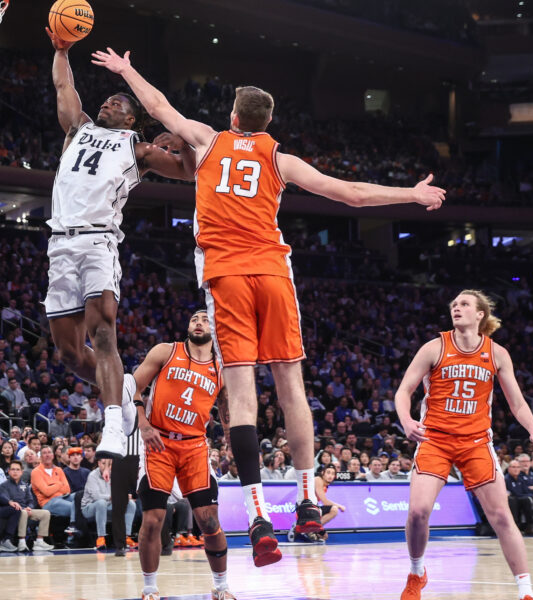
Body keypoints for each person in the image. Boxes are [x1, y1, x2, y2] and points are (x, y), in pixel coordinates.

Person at [92, 49, 447, 566]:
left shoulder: (209, 140)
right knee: (291, 387)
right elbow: (348, 193)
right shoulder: (281, 158)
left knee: (241, 394)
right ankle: (307, 502)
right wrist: (411, 195)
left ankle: (258, 516)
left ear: (233, 118)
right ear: (268, 123)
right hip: (274, 273)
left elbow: (159, 105)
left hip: (227, 274)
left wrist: (126, 71)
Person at [43, 28, 192, 461]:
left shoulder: (137, 147)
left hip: (97, 242)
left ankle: (111, 421)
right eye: (107, 100)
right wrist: (61, 49)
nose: (109, 102)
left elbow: (187, 171)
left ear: (131, 119)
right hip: (59, 244)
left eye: (119, 103)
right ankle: (125, 391)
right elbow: (63, 84)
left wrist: (181, 142)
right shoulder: (77, 128)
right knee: (69, 354)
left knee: (103, 332)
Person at [394, 290, 533, 600]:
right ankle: (416, 572)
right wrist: (407, 421)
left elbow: (517, 403)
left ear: (480, 314)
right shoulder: (434, 347)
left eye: (464, 304)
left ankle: (526, 592)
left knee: (502, 516)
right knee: (417, 512)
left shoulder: (497, 353)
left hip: (476, 441)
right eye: (454, 304)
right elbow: (403, 391)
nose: (456, 308)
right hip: (435, 439)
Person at [126, 310, 234, 599]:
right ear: (188, 327)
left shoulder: (221, 368)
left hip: (194, 445)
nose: (198, 323)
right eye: (194, 319)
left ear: (215, 328)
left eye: (205, 319)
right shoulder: (166, 351)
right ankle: (149, 589)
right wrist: (144, 424)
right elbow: (131, 387)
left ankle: (222, 587)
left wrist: (232, 440)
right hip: (158, 443)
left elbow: (226, 411)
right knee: (152, 519)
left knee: (209, 520)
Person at [81, 457, 136, 552]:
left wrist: (124, 496)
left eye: (110, 464)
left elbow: (120, 492)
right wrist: (115, 496)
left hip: (109, 505)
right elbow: (96, 497)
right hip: (89, 507)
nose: (107, 467)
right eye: (103, 463)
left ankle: (126, 537)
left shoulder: (115, 474)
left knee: (130, 504)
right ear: (98, 463)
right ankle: (101, 538)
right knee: (101, 503)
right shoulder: (92, 476)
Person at [0, 460, 54, 552]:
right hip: (15, 512)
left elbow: (31, 500)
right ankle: (22, 542)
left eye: (17, 469)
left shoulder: (25, 485)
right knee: (23, 512)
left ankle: (39, 541)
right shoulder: (4, 486)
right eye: (13, 469)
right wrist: (24, 509)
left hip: (26, 510)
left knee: (45, 513)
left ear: (21, 472)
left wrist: (29, 507)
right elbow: (6, 500)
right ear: (9, 471)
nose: (15, 472)